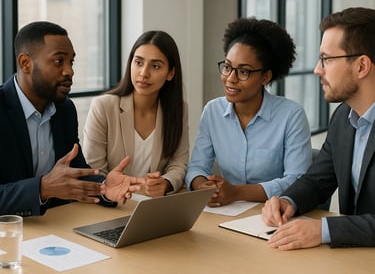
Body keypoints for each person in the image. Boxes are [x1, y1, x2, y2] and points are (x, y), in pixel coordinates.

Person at [0, 21, 144, 216]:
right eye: (59, 61)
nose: (70, 71)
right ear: (26, 63)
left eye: (71, 62)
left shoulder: (64, 109)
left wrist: (104, 187)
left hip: (56, 229)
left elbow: (76, 172)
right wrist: (42, 188)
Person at [262, 7, 375, 249]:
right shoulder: (343, 116)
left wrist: (324, 230)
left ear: (362, 66)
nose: (317, 69)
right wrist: (288, 200)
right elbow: (317, 181)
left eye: (327, 58)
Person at [185, 17, 312, 207]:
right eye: (227, 67)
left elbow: (297, 180)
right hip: (225, 212)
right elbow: (197, 167)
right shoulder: (212, 111)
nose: (230, 79)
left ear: (265, 76)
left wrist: (236, 192)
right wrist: (204, 187)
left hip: (274, 214)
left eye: (243, 72)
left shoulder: (291, 115)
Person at [83, 30, 189, 197]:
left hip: (153, 206)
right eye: (138, 62)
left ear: (170, 73)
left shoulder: (178, 109)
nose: (144, 73)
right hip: (111, 206)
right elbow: (93, 171)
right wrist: (110, 189)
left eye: (155, 66)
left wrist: (166, 183)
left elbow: (178, 163)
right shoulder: (103, 106)